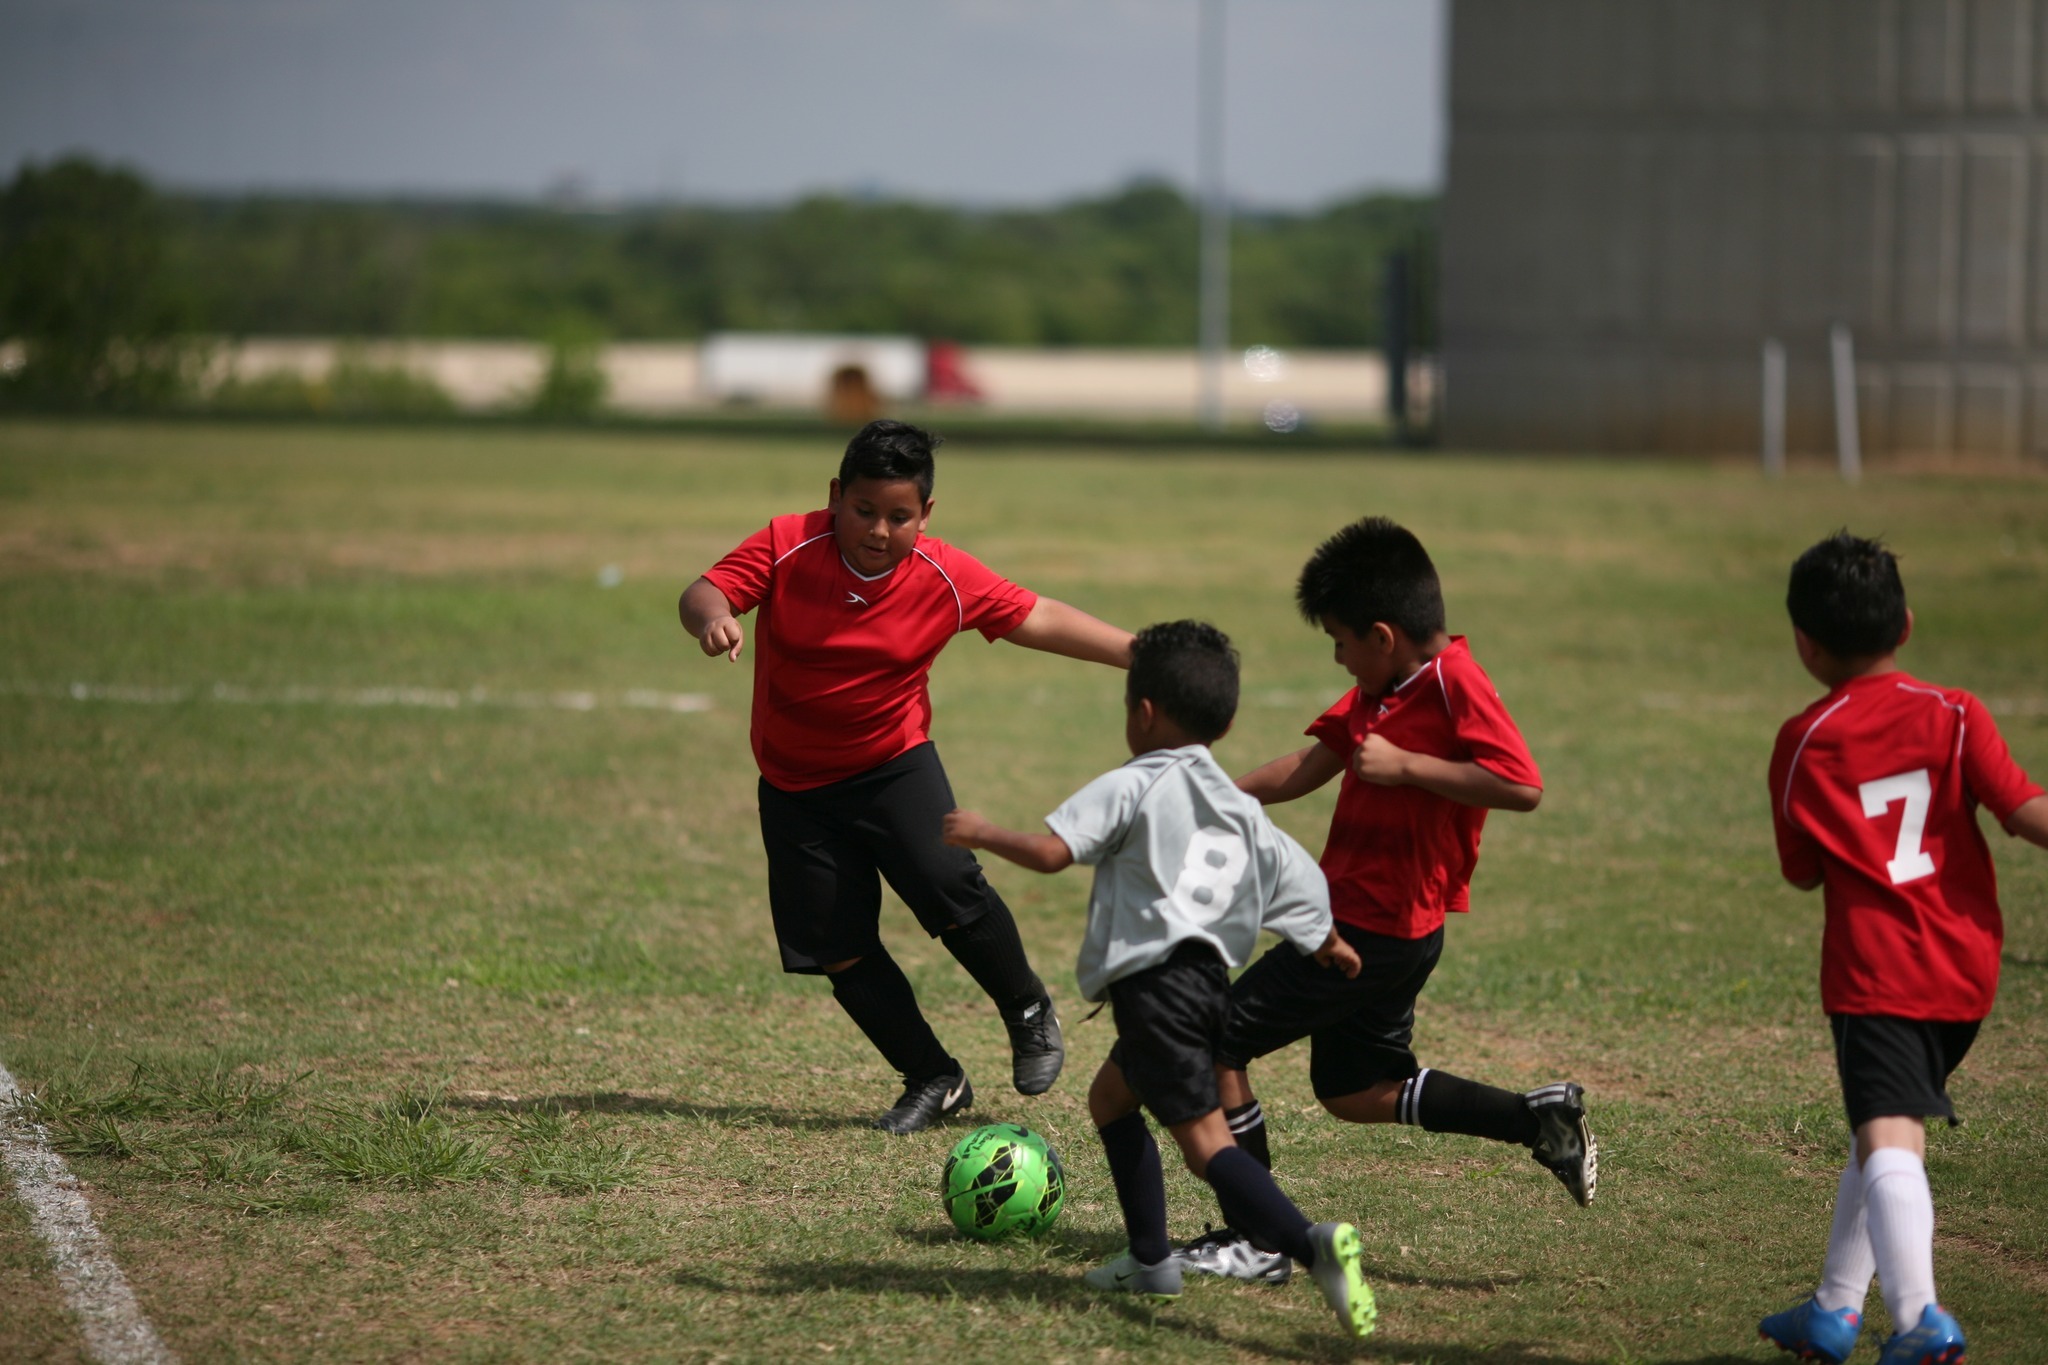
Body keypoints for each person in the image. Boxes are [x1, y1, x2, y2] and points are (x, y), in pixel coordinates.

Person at [1171, 516, 1597, 1287]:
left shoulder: (1452, 683)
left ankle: (1259, 1237)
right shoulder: (1385, 685)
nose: (1334, 655)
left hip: (1370, 929)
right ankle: (1532, 1118)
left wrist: (1407, 765)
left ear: (1382, 634)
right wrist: (1216, 794)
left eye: (1337, 639)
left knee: (1213, 1044)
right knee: (1352, 1089)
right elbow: (1311, 763)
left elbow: (1522, 785)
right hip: (1389, 931)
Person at [676, 419, 1133, 1133]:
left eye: (900, 516)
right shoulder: (787, 542)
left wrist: (1139, 651)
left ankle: (1027, 1007)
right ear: (835, 498)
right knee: (839, 946)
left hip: (893, 766)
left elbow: (1034, 616)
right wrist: (715, 619)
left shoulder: (943, 574)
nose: (880, 530)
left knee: (950, 887)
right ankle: (934, 1076)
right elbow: (704, 590)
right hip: (795, 784)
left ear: (926, 514)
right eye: (864, 511)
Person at [942, 620, 1377, 1337]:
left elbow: (1055, 853)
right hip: (1210, 987)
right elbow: (1291, 875)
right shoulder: (1240, 805)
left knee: (1206, 1145)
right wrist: (1324, 939)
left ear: (1142, 712)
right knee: (1111, 1099)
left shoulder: (1135, 782)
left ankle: (1309, 1243)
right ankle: (1152, 1262)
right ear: (1226, 720)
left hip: (1155, 988)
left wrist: (985, 833)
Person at [1757, 532, 2046, 1365]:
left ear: (1806, 644)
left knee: (1887, 1135)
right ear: (1907, 624)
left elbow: (1801, 872)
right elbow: (2024, 808)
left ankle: (1920, 1315)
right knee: (1883, 1128)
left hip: (1878, 974)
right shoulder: (1957, 710)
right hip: (1966, 971)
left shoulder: (1805, 737)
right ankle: (1833, 1309)